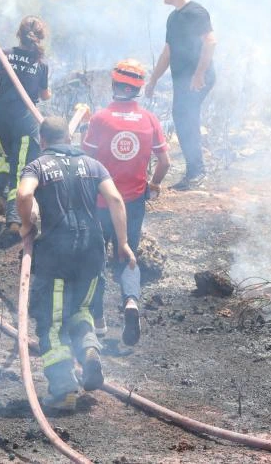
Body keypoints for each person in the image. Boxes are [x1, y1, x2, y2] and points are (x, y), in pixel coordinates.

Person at [16, 117, 131, 409]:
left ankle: (64, 389)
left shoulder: (38, 165)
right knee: (81, 311)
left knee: (52, 323)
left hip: (56, 253)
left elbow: (24, 193)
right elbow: (116, 200)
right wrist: (123, 243)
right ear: (69, 138)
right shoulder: (93, 164)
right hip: (93, 250)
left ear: (42, 141)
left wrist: (26, 225)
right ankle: (89, 351)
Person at [83, 59, 170, 346]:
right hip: (134, 200)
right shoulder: (149, 120)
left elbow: (86, 161)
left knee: (96, 258)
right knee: (128, 254)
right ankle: (131, 302)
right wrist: (153, 185)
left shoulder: (100, 119)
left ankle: (98, 320)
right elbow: (165, 161)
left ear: (114, 84)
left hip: (100, 201)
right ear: (138, 89)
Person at [144, 0, 216, 190]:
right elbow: (168, 51)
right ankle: (194, 172)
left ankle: (196, 173)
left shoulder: (196, 12)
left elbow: (211, 42)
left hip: (197, 79)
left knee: (186, 119)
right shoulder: (173, 18)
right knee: (183, 118)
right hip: (183, 80)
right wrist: (153, 80)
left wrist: (199, 74)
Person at [0, 16, 51, 231]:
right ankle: (14, 219)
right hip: (24, 121)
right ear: (40, 37)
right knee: (21, 168)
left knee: (3, 156)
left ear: (18, 34)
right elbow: (45, 95)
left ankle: (0, 195)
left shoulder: (5, 54)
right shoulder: (41, 63)